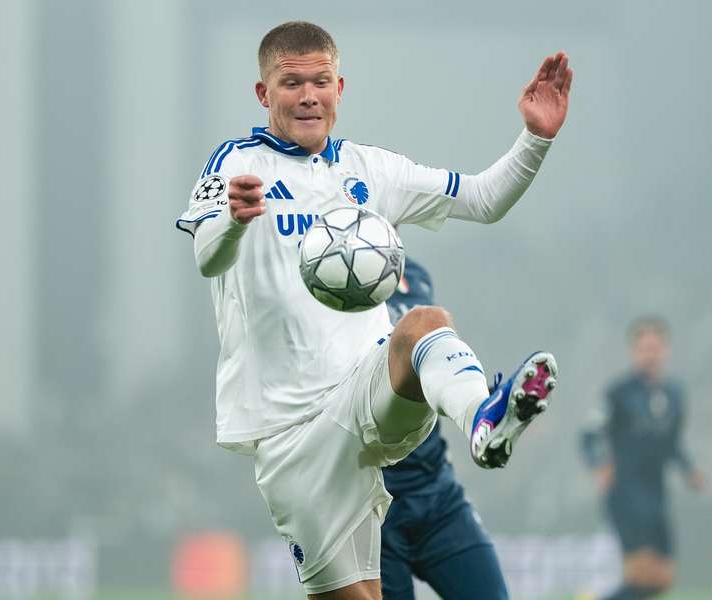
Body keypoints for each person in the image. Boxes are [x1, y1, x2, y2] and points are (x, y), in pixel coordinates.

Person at [176, 21, 571, 599]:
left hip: (365, 391)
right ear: (264, 94)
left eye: (320, 81)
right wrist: (233, 224)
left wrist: (535, 139)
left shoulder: (371, 170)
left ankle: (483, 421)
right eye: (291, 83)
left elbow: (483, 200)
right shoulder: (236, 165)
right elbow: (207, 257)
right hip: (289, 433)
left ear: (341, 87)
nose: (308, 95)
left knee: (422, 325)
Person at [381, 257, 509, 600]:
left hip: (434, 486)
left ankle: (481, 414)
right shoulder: (324, 273)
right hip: (368, 499)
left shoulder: (416, 275)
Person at [580, 317, 705, 600]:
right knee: (641, 574)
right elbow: (589, 434)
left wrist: (690, 470)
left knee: (662, 578)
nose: (650, 354)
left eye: (656, 347)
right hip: (626, 492)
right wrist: (599, 464)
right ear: (634, 352)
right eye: (644, 348)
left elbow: (672, 442)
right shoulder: (619, 394)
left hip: (656, 492)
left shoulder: (674, 394)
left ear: (666, 350)